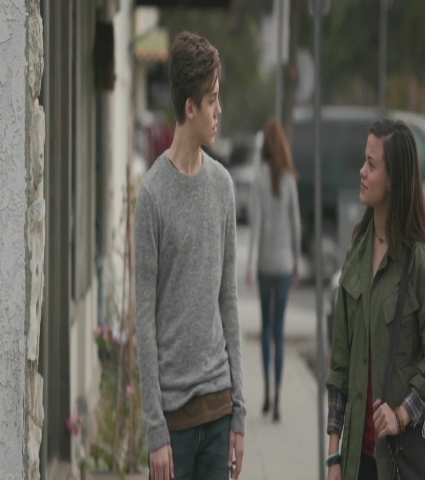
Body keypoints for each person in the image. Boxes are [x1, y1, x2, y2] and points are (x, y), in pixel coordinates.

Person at [134, 31, 246, 480]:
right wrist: (154, 430)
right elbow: (144, 320)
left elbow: (229, 301)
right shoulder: (152, 196)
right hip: (173, 426)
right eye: (212, 99)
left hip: (219, 411)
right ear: (190, 107)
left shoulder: (223, 187)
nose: (219, 110)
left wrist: (239, 414)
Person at [324, 119, 425, 480]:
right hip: (357, 462)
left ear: (394, 179)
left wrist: (401, 415)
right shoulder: (357, 252)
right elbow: (340, 368)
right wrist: (334, 456)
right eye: (364, 162)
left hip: (400, 463)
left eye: (372, 164)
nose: (362, 172)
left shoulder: (420, 262)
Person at [245, 117, 301, 423]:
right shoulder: (290, 180)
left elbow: (255, 225)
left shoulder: (259, 178)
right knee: (279, 330)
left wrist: (250, 265)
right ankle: (278, 399)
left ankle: (266, 391)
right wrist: (297, 262)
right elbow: (296, 224)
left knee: (266, 328)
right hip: (285, 264)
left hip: (266, 265)